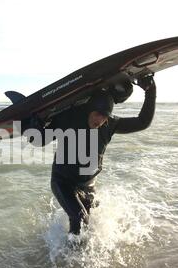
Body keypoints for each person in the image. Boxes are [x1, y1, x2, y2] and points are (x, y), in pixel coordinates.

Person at [21, 75, 156, 235]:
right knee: (79, 218)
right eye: (97, 114)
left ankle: (74, 252)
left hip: (88, 185)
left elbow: (142, 122)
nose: (100, 120)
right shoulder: (68, 119)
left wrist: (150, 90)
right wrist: (30, 125)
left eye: (104, 116)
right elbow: (39, 140)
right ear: (89, 110)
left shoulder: (109, 124)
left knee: (89, 227)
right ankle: (68, 258)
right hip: (63, 182)